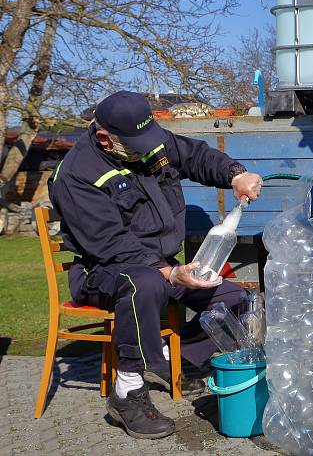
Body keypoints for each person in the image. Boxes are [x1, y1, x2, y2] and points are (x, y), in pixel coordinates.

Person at [48, 91, 263, 439]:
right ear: (105, 137)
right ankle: (127, 393)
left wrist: (234, 174)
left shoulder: (146, 141)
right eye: (136, 143)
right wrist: (169, 273)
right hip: (103, 270)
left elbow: (194, 156)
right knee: (144, 283)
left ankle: (170, 357)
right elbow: (110, 243)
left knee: (238, 301)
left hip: (160, 263)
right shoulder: (75, 176)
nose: (148, 148)